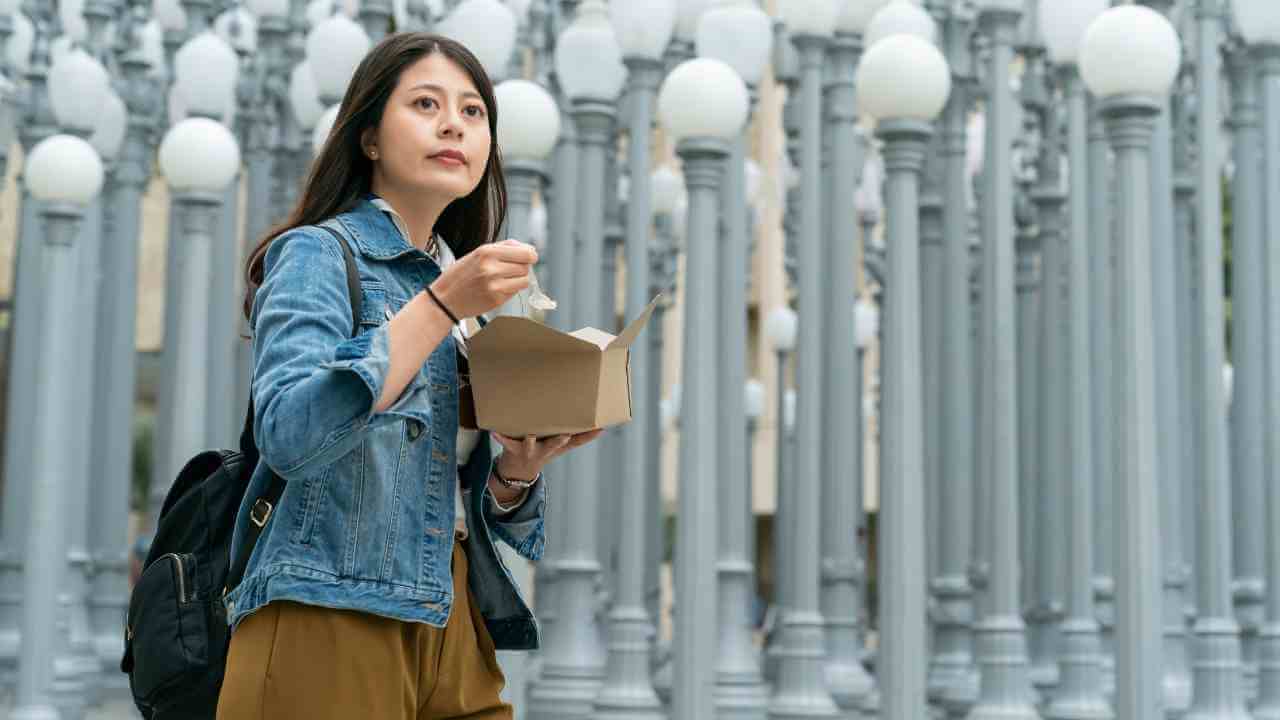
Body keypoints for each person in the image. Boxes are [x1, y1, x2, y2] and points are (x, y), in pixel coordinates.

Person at [216, 32, 600, 720]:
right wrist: (442, 302)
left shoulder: (464, 295)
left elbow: (440, 490)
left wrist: (516, 469)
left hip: (452, 618)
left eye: (473, 112)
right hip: (328, 610)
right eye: (426, 103)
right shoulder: (318, 254)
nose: (454, 123)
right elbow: (291, 433)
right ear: (368, 138)